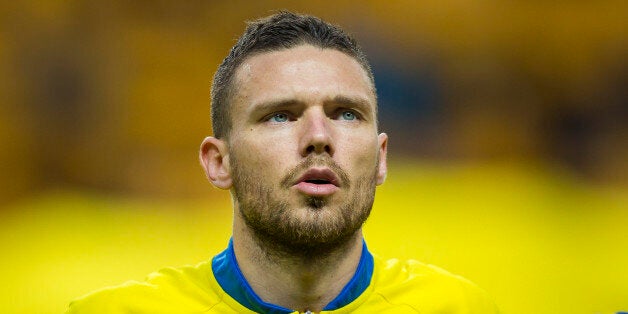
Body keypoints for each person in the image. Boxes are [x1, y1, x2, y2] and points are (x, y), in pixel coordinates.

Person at [67, 11, 499, 313]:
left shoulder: (461, 308)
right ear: (220, 162)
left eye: (346, 113)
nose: (318, 138)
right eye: (281, 115)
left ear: (381, 158)